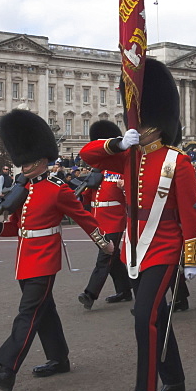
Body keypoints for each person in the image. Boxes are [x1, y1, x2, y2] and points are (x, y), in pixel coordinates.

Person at [80, 58, 196, 391]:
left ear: (159, 125)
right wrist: (118, 143)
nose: (139, 127)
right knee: (158, 315)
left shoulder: (177, 162)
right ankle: (175, 380)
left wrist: (191, 257)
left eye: (144, 122)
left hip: (163, 246)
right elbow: (89, 156)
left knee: (143, 316)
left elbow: (189, 215)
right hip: (134, 245)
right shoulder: (129, 156)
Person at [0, 109, 112, 391]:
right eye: (21, 162)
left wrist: (103, 242)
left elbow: (84, 217)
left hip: (44, 259)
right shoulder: (23, 189)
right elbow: (16, 227)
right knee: (45, 311)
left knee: (27, 313)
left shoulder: (57, 189)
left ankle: (7, 369)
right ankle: (59, 358)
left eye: (27, 162)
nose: (23, 167)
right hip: (24, 259)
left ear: (41, 161)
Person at [77, 119, 133, 310]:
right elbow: (89, 195)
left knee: (104, 257)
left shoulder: (122, 167)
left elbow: (133, 197)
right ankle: (125, 290)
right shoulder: (98, 170)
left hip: (115, 221)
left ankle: (90, 294)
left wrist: (125, 189)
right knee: (113, 259)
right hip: (98, 220)